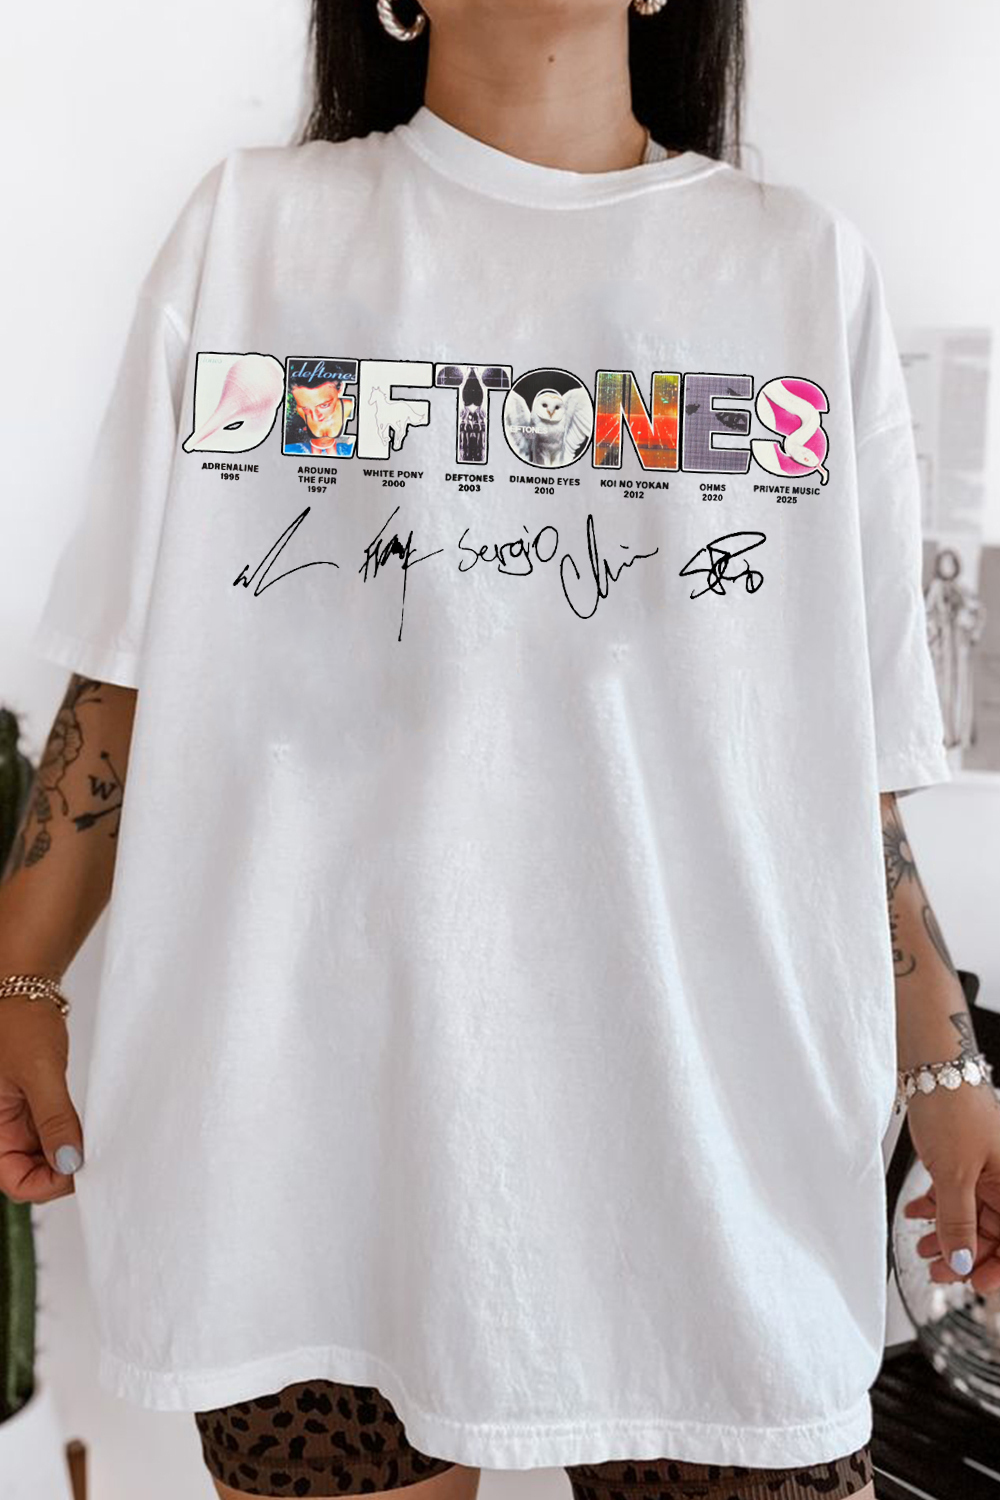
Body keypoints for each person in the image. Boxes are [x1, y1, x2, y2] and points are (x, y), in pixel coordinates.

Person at [4, 2, 999, 1499]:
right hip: (301, 1150)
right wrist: (18, 976)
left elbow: (842, 766)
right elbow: (128, 669)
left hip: (714, 1165)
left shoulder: (798, 268)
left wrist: (948, 1068)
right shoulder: (256, 235)